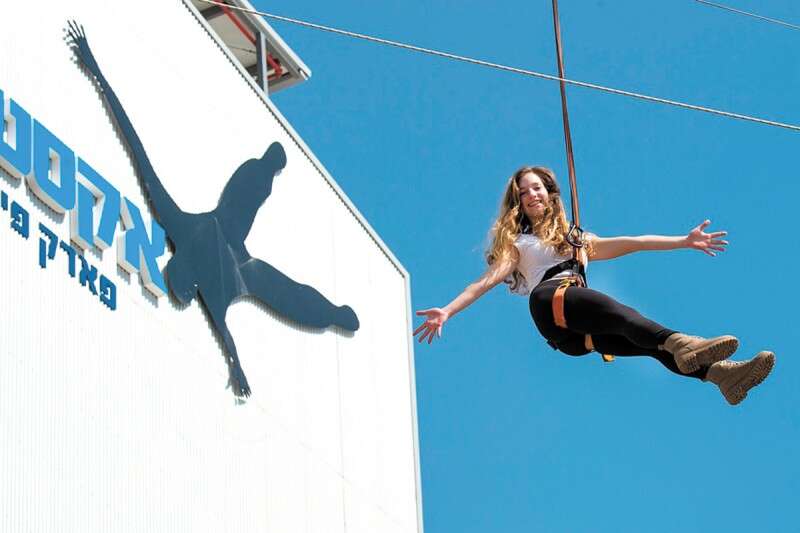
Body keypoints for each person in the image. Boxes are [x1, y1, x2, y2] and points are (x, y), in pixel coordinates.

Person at [414, 166, 774, 405]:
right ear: (518, 203)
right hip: (550, 301)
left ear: (550, 193)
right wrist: (447, 310)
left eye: (537, 188)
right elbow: (485, 281)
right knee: (624, 315)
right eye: (524, 193)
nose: (532, 195)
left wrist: (683, 241)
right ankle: (683, 342)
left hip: (576, 335)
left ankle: (722, 376)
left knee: (646, 344)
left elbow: (634, 243)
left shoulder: (579, 240)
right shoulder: (520, 244)